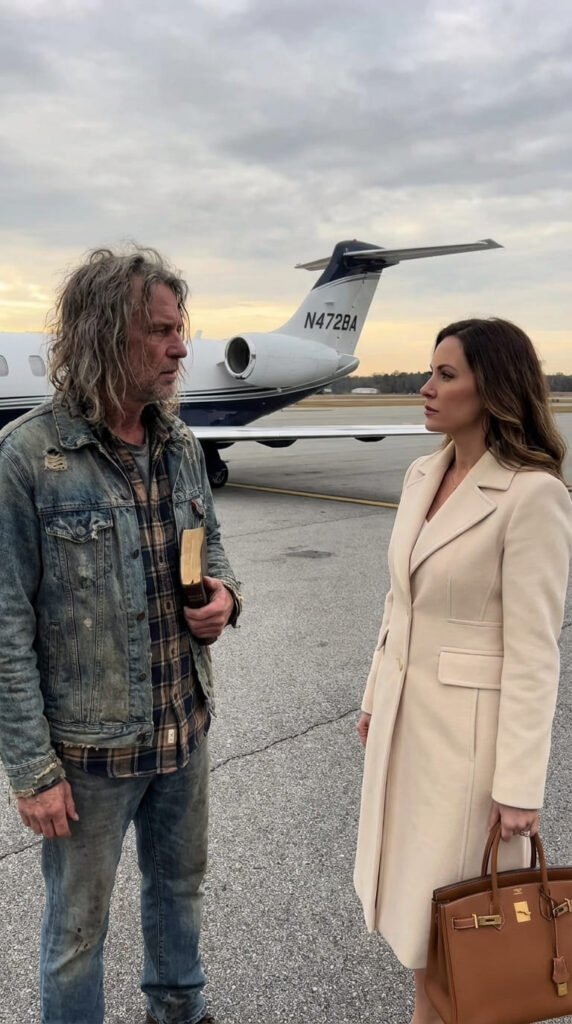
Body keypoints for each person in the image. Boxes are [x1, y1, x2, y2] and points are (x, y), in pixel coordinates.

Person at [0, 246, 242, 1024]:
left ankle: (179, 1009)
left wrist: (226, 600)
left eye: (182, 330)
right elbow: (5, 625)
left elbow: (216, 548)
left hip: (182, 728)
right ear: (107, 333)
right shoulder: (31, 458)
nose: (180, 347)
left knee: (179, 888)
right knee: (77, 932)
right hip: (90, 751)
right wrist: (33, 771)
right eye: (161, 331)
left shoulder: (178, 445)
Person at [353, 318, 572, 1024]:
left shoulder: (533, 495)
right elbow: (400, 602)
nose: (426, 386)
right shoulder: (425, 472)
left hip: (468, 756)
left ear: (494, 387)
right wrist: (372, 697)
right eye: (431, 370)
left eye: (446, 374)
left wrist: (518, 787)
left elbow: (537, 650)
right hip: (407, 732)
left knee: (462, 941)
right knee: (422, 933)